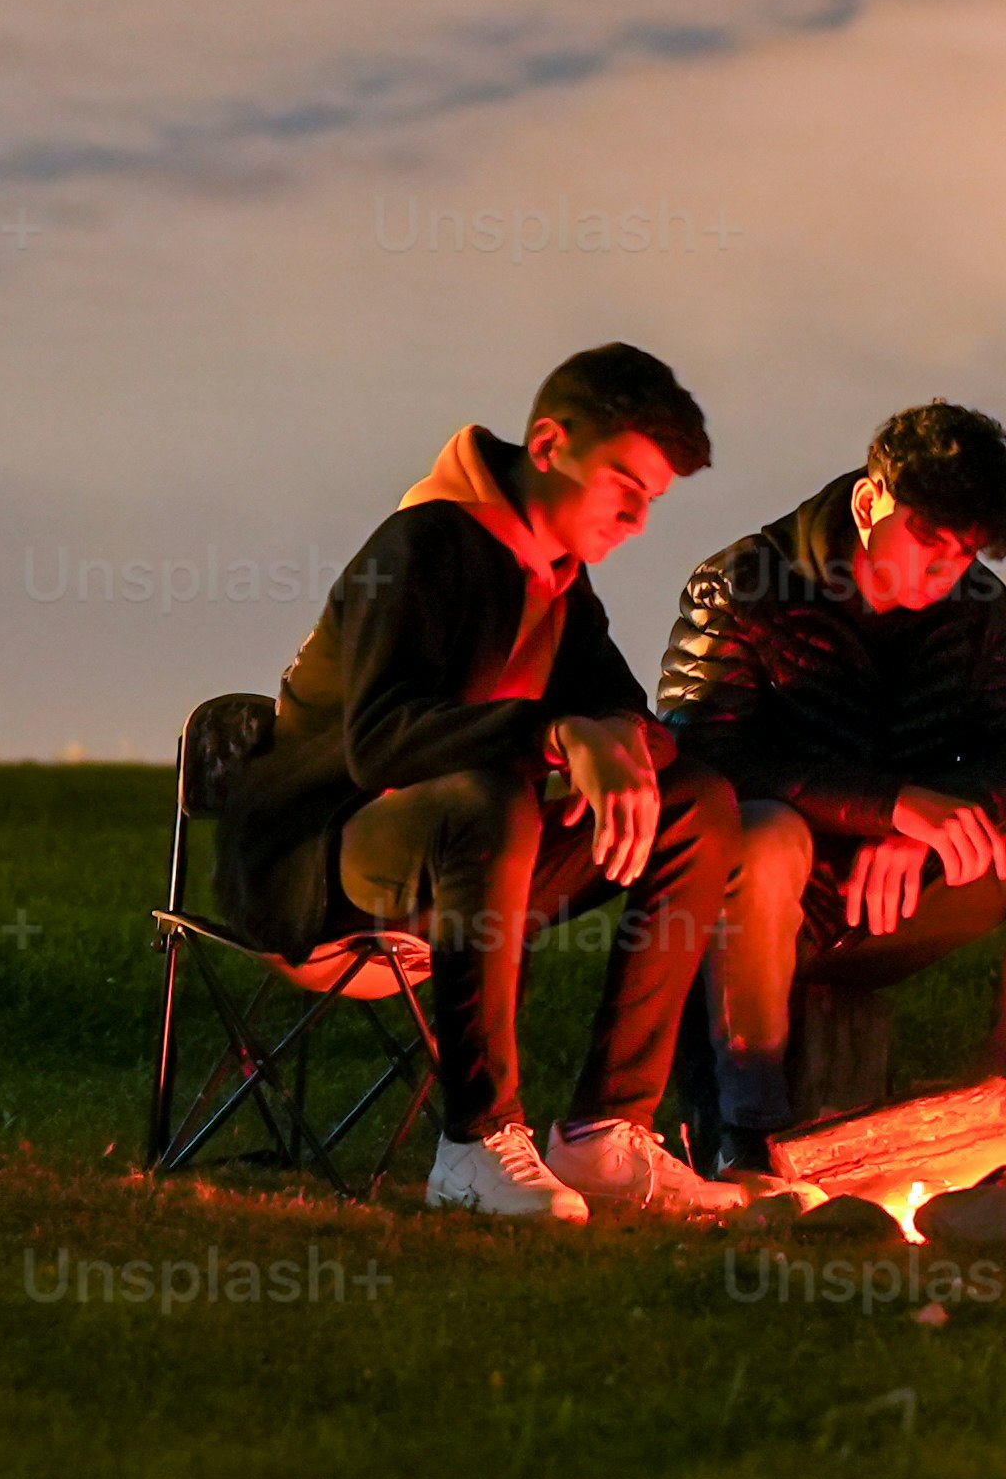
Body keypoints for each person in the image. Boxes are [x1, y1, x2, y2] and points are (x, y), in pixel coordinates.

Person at [219, 344, 759, 1223]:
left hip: (469, 878)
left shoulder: (560, 581)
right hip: (323, 868)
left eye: (652, 500)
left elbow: (627, 714)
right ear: (549, 446)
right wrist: (554, 734)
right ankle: (474, 1144)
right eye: (624, 484)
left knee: (695, 804)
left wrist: (621, 747)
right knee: (491, 796)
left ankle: (605, 1131)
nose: (636, 519)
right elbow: (380, 745)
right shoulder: (423, 546)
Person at [647, 399, 1006, 1172]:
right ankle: (747, 1133)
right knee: (762, 835)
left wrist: (921, 830)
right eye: (928, 541)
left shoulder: (974, 607)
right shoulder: (743, 584)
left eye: (966, 551)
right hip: (770, 906)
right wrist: (888, 807)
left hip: (903, 897)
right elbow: (706, 753)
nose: (946, 570)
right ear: (870, 504)